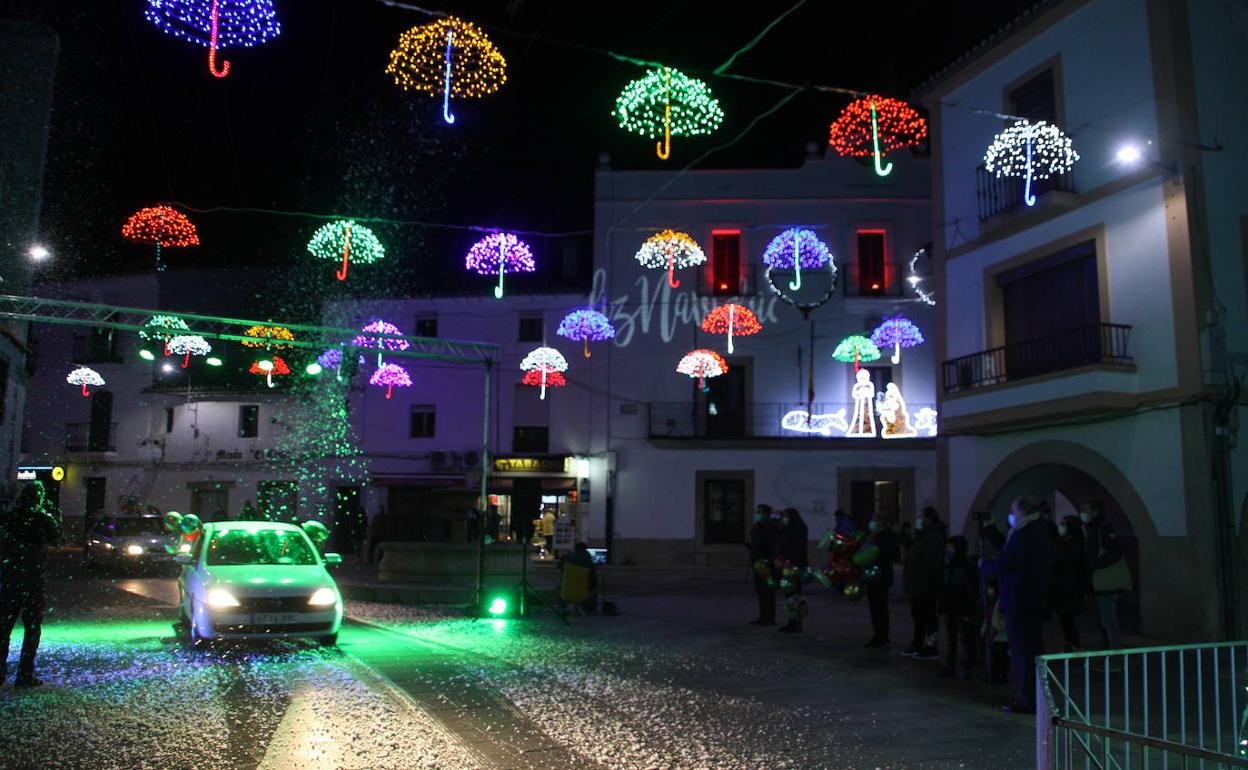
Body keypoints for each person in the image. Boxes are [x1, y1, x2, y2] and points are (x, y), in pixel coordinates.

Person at [981, 495, 1056, 713]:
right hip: (1031, 599)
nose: (1011, 515)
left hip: (1020, 600)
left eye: (1013, 511)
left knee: (1022, 652)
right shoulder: (1036, 529)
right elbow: (1012, 554)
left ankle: (1028, 700)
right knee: (1032, 649)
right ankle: (1038, 697)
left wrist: (985, 565)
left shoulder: (1025, 533)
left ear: (1022, 511)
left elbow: (1008, 562)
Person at [0, 482, 62, 687]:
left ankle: (0, 671)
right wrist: (55, 517)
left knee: (3, 627)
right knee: (32, 628)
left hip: (9, 579)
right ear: (39, 497)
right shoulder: (42, 518)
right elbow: (57, 539)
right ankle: (25, 674)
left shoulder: (9, 518)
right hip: (32, 581)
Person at [1082, 499, 1128, 652]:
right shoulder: (1091, 528)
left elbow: (1115, 552)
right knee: (1104, 620)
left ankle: (1115, 655)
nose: (1083, 513)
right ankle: (1109, 651)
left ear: (1096, 511)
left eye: (1087, 510)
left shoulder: (1103, 528)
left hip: (1105, 581)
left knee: (1108, 621)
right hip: (1098, 581)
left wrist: (1096, 564)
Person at [902, 506, 946, 659]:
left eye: (920, 516)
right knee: (918, 616)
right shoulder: (923, 535)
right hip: (917, 584)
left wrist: (929, 585)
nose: (918, 520)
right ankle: (917, 643)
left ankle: (930, 646)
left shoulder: (933, 536)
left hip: (925, 585)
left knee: (929, 617)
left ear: (927, 518)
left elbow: (933, 563)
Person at [937, 535, 979, 679]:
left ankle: (966, 669)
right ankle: (950, 667)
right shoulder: (948, 567)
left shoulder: (966, 568)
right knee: (951, 639)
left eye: (951, 548)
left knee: (964, 640)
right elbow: (943, 588)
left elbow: (972, 591)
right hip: (949, 608)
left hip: (961, 609)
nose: (948, 550)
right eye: (947, 547)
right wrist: (941, 604)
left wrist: (968, 608)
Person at [864, 514, 900, 648]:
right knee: (874, 607)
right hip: (872, 576)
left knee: (880, 607)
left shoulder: (886, 536)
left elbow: (886, 554)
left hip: (881, 576)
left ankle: (882, 636)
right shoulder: (873, 535)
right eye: (871, 520)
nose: (871, 522)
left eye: (874, 520)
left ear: (882, 523)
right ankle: (877, 635)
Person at [1052, 514, 1086, 651]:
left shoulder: (1071, 542)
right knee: (1066, 618)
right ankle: (1070, 644)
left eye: (1063, 523)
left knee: (1068, 618)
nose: (1060, 525)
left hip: (1067, 586)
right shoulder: (1068, 540)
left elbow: (1064, 563)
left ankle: (1073, 644)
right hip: (1065, 586)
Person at [777, 507, 809, 633]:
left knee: (794, 595)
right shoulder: (788, 530)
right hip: (788, 566)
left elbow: (795, 550)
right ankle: (792, 621)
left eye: (786, 516)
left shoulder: (797, 531)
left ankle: (795, 623)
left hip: (794, 567)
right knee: (789, 595)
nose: (784, 519)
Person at [747, 504, 778, 626]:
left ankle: (769, 618)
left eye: (759, 512)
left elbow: (771, 546)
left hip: (765, 563)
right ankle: (763, 616)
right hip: (758, 561)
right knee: (761, 591)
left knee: (767, 591)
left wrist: (769, 561)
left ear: (765, 513)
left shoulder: (769, 526)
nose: (756, 513)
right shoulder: (759, 525)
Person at [558, 542, 598, 613]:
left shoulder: (567, 558)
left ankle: (562, 608)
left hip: (566, 590)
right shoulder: (588, 560)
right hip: (583, 591)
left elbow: (560, 567)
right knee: (593, 589)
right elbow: (593, 578)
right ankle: (590, 609)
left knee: (558, 587)